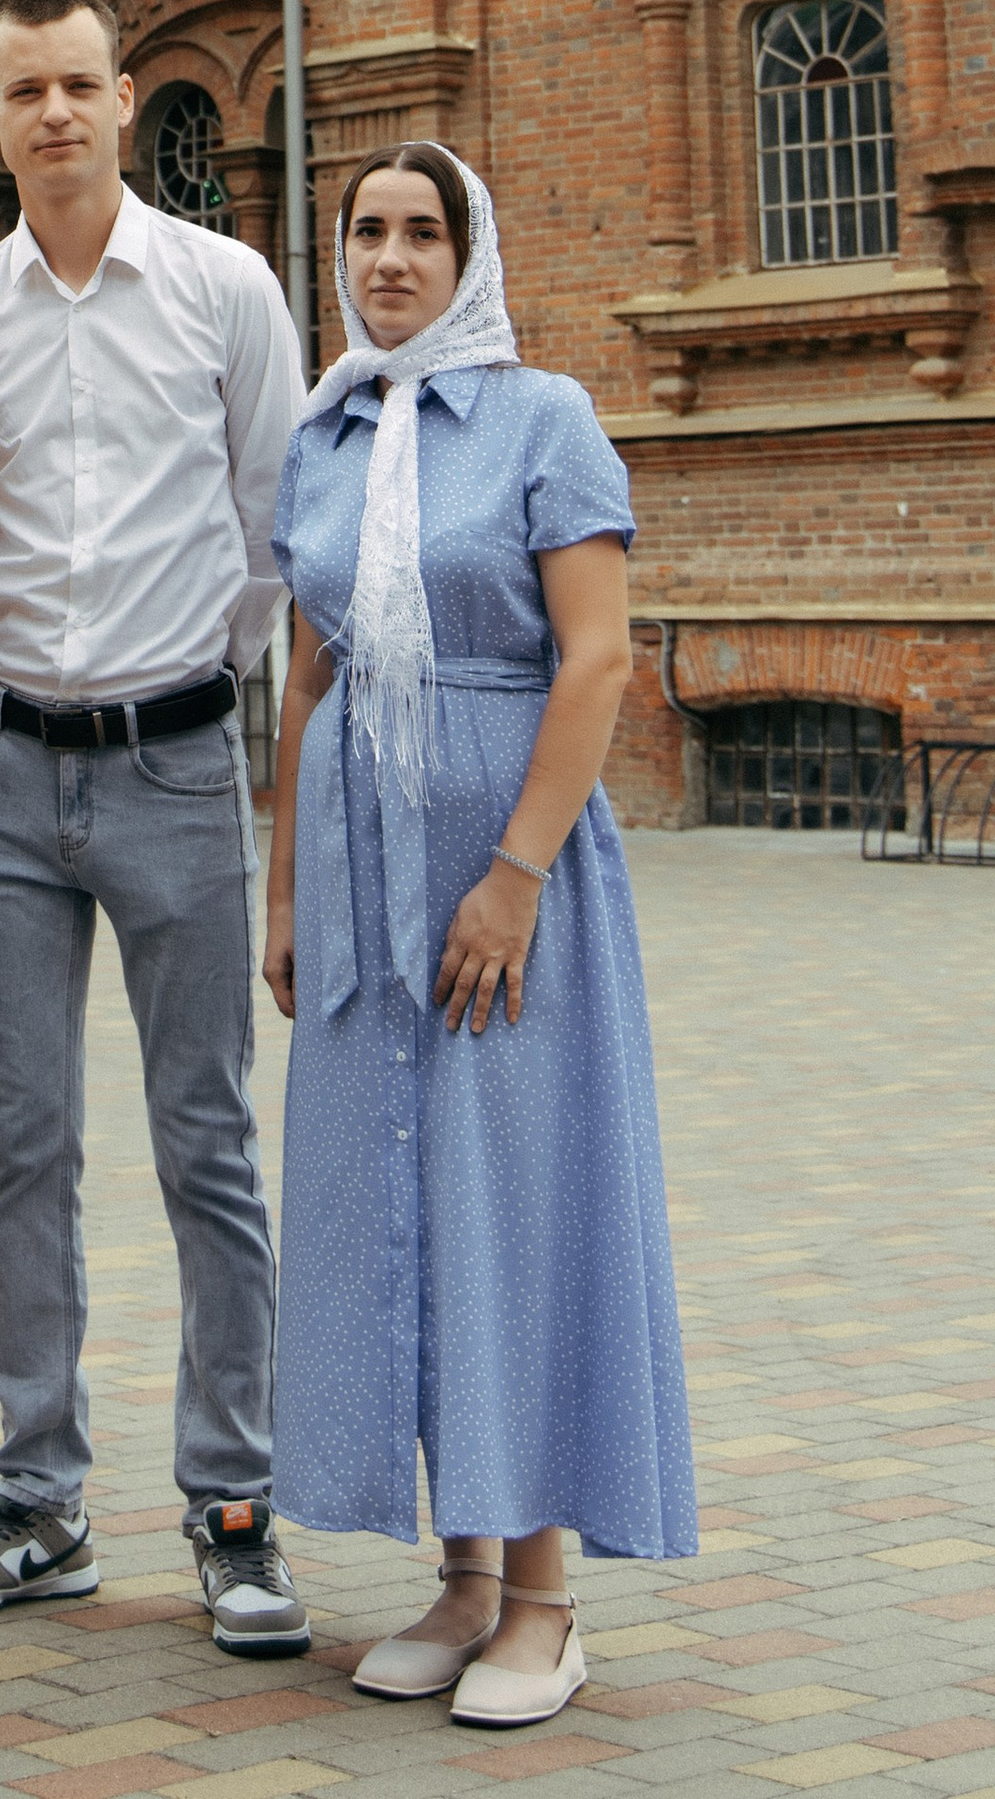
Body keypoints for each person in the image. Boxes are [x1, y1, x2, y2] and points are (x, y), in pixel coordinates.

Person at [0, 0, 311, 1658]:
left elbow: (273, 515)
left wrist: (192, 686)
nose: (55, 114)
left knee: (211, 1149)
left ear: (122, 97)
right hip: (8, 776)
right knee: (29, 1147)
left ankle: (234, 1506)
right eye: (24, 89)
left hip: (176, 763)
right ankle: (41, 1499)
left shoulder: (225, 287)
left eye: (82, 85)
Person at [264, 143, 696, 1733]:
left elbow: (594, 663)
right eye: (367, 230)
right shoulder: (324, 426)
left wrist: (512, 872)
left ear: (470, 253)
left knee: (514, 1203)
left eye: (421, 231)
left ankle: (545, 1599)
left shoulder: (543, 418)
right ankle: (456, 1579)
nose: (390, 258)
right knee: (397, 1204)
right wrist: (286, 887)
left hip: (502, 877)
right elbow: (308, 669)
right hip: (357, 878)